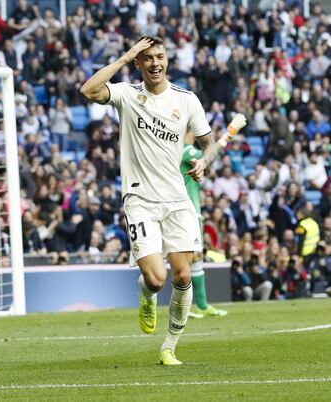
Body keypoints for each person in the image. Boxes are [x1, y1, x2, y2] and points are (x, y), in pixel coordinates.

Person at [81, 36, 245, 365]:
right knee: (156, 279)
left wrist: (203, 161)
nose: (155, 63)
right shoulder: (127, 95)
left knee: (183, 276)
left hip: (177, 200)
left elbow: (209, 143)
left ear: (167, 59)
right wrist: (126, 56)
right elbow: (89, 90)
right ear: (139, 64)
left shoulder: (186, 100)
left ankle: (169, 346)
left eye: (160, 56)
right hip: (140, 198)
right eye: (147, 58)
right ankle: (146, 294)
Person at [181, 131, 228, 318]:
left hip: (194, 212)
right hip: (185, 212)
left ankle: (201, 305)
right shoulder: (186, 151)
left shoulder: (187, 152)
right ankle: (184, 306)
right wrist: (230, 133)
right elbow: (211, 153)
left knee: (197, 256)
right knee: (187, 257)